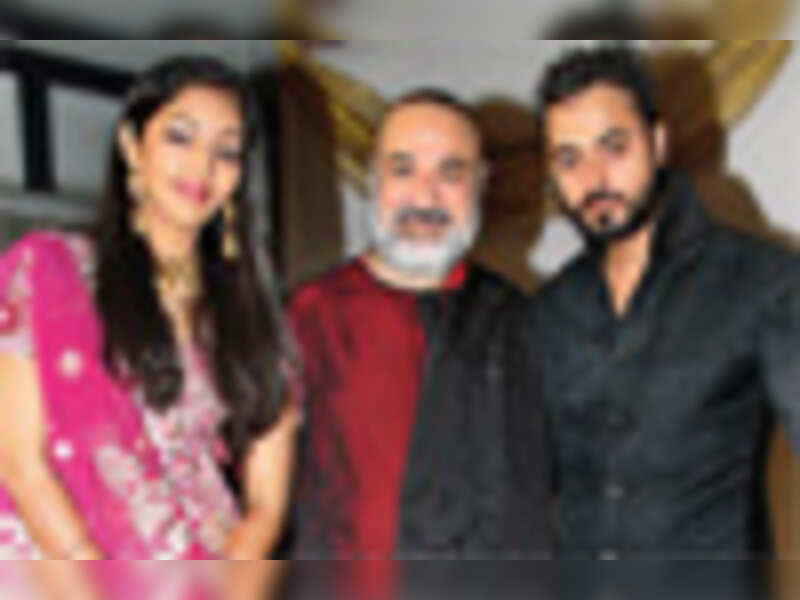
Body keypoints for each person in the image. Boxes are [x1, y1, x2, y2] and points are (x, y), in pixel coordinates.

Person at [0, 56, 300, 599]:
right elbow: (19, 462)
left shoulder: (252, 316)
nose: (202, 165)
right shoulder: (47, 273)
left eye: (226, 151)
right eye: (180, 137)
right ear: (132, 145)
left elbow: (266, 504)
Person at [531, 45, 800, 560]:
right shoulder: (550, 310)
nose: (595, 178)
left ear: (657, 143)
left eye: (614, 147)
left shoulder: (763, 282)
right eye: (570, 159)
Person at [289, 88, 551, 568]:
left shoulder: (527, 324)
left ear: (481, 184)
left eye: (451, 173)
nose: (425, 197)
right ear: (373, 177)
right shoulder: (305, 318)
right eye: (403, 169)